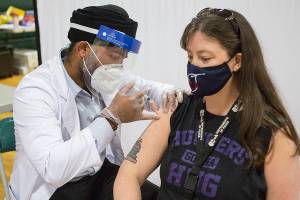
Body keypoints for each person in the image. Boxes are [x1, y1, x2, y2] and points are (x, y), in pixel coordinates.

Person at [114, 7, 300, 200]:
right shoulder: (176, 108)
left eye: (205, 58)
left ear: (237, 61)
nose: (194, 67)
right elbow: (129, 175)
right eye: (190, 57)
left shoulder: (274, 133)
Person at [9, 4, 184, 200]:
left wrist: (172, 95)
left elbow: (150, 90)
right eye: (115, 56)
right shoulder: (35, 90)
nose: (118, 66)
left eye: (123, 59)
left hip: (99, 175)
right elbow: (54, 169)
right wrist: (111, 117)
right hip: (54, 189)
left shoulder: (102, 74)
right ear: (83, 48)